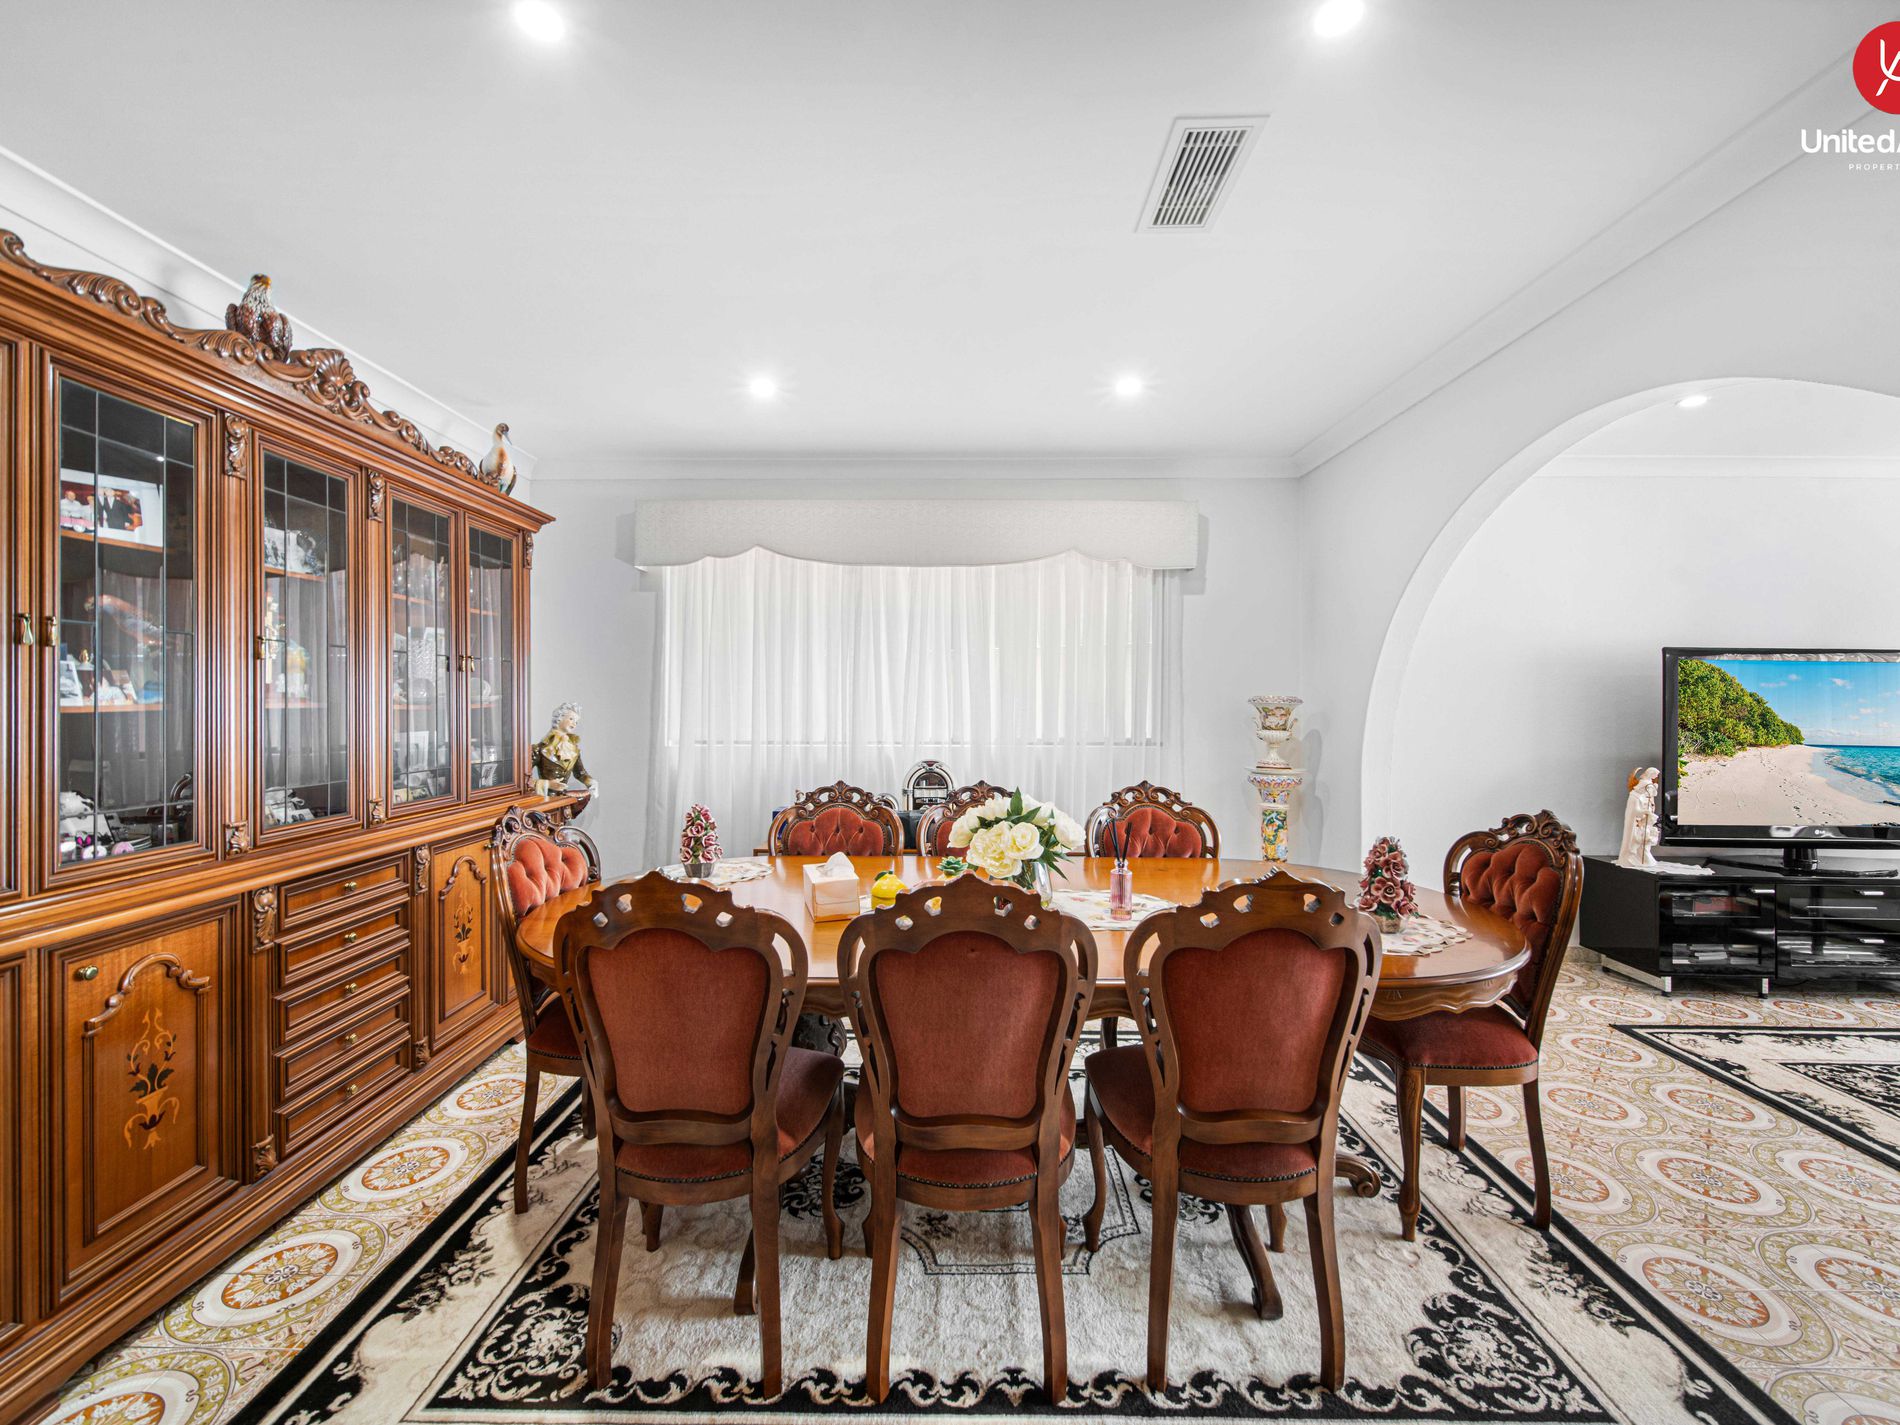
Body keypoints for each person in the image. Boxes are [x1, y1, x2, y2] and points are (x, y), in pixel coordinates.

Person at [531, 701, 599, 797]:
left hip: (563, 799)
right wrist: (547, 784)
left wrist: (591, 782)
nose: (574, 724)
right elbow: (523, 780)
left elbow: (580, 773)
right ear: (560, 718)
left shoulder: (573, 750)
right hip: (545, 800)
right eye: (571, 719)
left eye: (576, 722)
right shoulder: (539, 749)